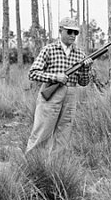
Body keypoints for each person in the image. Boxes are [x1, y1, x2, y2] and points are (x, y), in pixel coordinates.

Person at [25, 17, 92, 153]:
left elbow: (84, 82)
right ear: (61, 31)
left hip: (71, 96)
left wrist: (86, 68)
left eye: (76, 32)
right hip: (51, 94)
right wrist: (55, 77)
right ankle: (32, 162)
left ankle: (56, 163)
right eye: (69, 32)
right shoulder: (49, 49)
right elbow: (33, 73)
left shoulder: (80, 54)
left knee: (64, 133)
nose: (73, 35)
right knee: (42, 131)